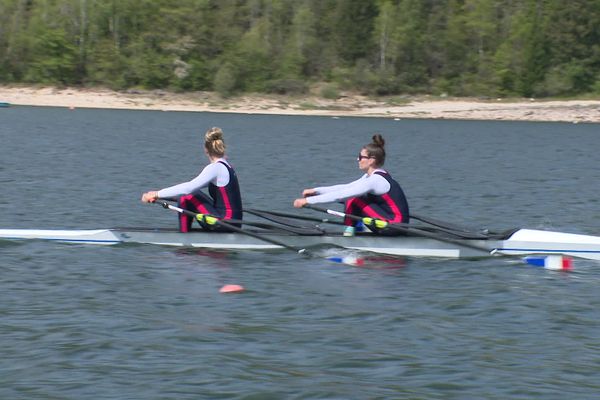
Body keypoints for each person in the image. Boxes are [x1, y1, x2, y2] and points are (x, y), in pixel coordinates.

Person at [293, 134, 409, 236]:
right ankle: (355, 230)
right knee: (353, 197)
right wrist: (316, 191)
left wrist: (307, 201)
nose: (357, 159)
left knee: (352, 198)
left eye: (361, 156)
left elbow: (342, 194)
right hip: (392, 223)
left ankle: (349, 234)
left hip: (393, 226)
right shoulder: (371, 177)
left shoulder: (375, 180)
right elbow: (346, 188)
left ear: (371, 160)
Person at [141, 127, 243, 232]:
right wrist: (159, 196)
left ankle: (184, 237)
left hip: (224, 224)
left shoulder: (215, 168)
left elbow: (187, 189)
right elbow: (187, 190)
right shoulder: (227, 166)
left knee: (187, 196)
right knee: (192, 194)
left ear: (206, 149)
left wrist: (157, 193)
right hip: (233, 223)